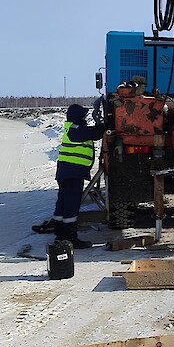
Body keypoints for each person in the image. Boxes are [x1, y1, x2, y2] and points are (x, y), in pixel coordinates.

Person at [51, 103, 106, 249]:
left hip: (68, 172)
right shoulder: (75, 129)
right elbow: (92, 133)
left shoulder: (73, 128)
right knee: (71, 205)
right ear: (77, 116)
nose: (85, 118)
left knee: (63, 203)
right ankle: (70, 238)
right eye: (83, 115)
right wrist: (104, 127)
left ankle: (60, 233)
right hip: (72, 173)